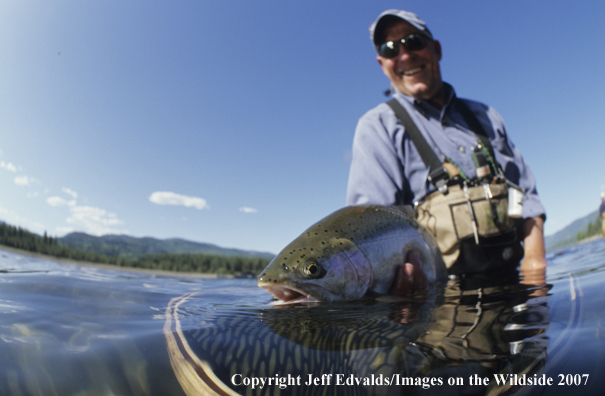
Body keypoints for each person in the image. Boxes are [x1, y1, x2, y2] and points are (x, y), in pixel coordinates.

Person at [346, 10, 547, 291]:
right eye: (390, 49)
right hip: (442, 300)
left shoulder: (486, 115)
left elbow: (524, 196)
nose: (405, 55)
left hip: (518, 283)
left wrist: (536, 272)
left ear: (436, 49)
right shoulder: (377, 127)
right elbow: (369, 229)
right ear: (382, 63)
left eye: (414, 41)